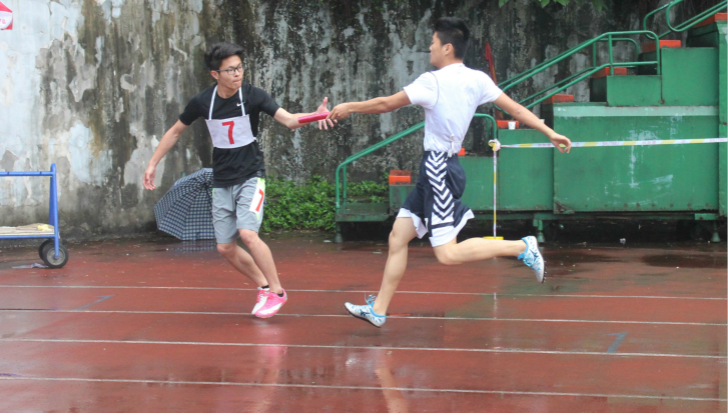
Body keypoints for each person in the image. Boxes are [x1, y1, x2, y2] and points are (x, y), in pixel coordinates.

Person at [327, 17, 572, 327]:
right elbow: (516, 109)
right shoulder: (478, 79)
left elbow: (387, 104)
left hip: (438, 169)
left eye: (432, 43)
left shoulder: (433, 81)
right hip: (437, 168)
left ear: (447, 48)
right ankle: (378, 310)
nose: (429, 48)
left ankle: (522, 247)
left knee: (447, 254)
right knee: (398, 236)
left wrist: (350, 106)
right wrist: (550, 132)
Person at [143, 42, 332, 319]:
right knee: (225, 247)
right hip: (221, 179)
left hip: (251, 176)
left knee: (248, 234)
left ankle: (277, 292)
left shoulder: (253, 95)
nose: (237, 73)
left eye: (240, 67)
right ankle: (264, 286)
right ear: (215, 74)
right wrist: (152, 163)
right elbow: (175, 132)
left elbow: (290, 120)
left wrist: (317, 115)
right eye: (230, 69)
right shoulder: (202, 102)